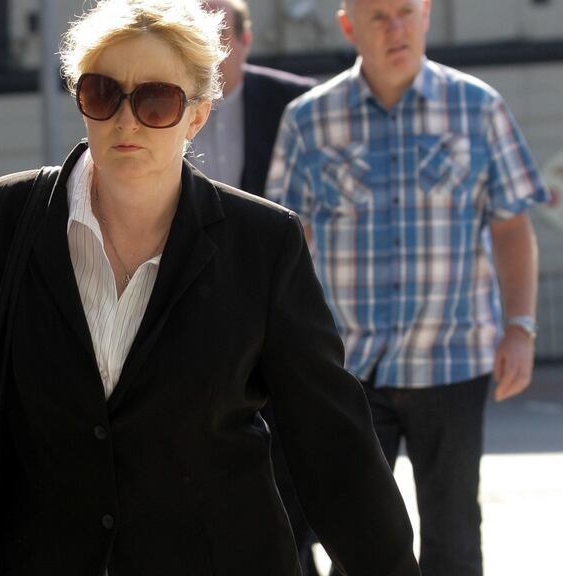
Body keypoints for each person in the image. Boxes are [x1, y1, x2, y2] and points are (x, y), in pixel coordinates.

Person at [0, 1, 420, 575]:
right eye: (104, 93)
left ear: (198, 115)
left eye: (157, 100)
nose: (126, 121)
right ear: (81, 99)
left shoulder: (262, 243)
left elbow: (333, 444)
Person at [267, 1, 548, 574]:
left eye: (405, 12)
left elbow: (512, 227)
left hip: (452, 363)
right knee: (359, 542)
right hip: (349, 370)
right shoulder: (308, 120)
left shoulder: (478, 107)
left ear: (426, 16)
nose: (395, 28)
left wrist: (520, 327)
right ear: (349, 26)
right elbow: (284, 245)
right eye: (378, 17)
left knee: (454, 543)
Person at [195, 2, 322, 574]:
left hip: (282, 315)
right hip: (198, 320)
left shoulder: (299, 106)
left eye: (223, 35)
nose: (214, 48)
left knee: (296, 464)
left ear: (246, 40)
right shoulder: (159, 106)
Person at [192, 0, 316, 197]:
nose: (204, 50)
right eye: (194, 37)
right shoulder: (163, 104)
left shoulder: (295, 101)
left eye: (218, 35)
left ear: (246, 40)